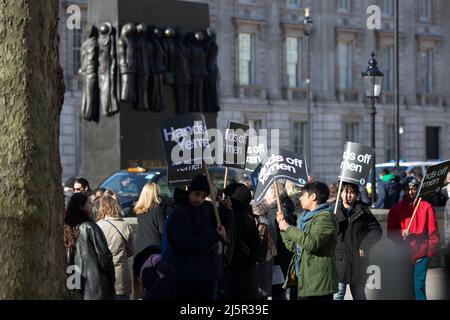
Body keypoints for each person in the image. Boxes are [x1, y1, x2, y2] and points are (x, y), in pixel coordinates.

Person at [162, 174, 228, 300]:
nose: (200, 199)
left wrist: (227, 211)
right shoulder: (179, 213)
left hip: (206, 274)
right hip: (187, 275)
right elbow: (187, 243)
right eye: (197, 194)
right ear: (190, 191)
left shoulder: (205, 208)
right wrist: (214, 237)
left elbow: (222, 225)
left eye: (203, 196)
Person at [276, 181, 338, 300]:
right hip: (302, 279)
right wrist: (282, 227)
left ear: (313, 196)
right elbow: (293, 246)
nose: (300, 198)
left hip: (318, 282)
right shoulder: (303, 217)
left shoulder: (326, 218)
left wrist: (287, 227)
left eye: (303, 195)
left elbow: (311, 243)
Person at [387, 176, 440, 300]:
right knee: (404, 289)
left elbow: (433, 232)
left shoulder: (426, 207)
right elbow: (390, 232)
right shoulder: (395, 210)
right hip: (403, 255)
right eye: (407, 189)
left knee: (419, 288)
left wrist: (429, 252)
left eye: (413, 188)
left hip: (421, 255)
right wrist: (401, 233)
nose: (410, 192)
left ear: (418, 189)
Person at [333, 182, 382, 300]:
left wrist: (365, 245)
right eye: (346, 192)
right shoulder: (333, 211)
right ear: (340, 193)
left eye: (352, 193)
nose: (348, 195)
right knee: (337, 295)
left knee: (359, 295)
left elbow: (377, 230)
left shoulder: (363, 211)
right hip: (339, 262)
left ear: (356, 195)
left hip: (358, 262)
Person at [64, 193, 115, 300]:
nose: (91, 206)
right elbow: (104, 255)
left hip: (73, 282)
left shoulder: (66, 229)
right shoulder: (89, 227)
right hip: (95, 284)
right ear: (81, 206)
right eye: (89, 204)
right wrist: (111, 277)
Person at [222, 183, 260, 300]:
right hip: (247, 268)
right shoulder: (248, 213)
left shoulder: (239, 217)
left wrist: (227, 213)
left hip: (238, 267)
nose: (225, 200)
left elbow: (232, 233)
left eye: (227, 197)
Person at [96, 195, 134, 300]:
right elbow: (130, 251)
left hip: (104, 276)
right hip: (121, 276)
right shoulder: (125, 225)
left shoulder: (97, 226)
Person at [265, 181, 296, 300]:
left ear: (274, 195)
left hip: (278, 258)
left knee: (278, 290)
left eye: (267, 194)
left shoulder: (276, 211)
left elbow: (277, 238)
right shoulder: (286, 207)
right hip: (286, 258)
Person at [133, 182, 168, 255]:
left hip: (139, 246)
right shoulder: (158, 209)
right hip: (153, 246)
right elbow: (163, 230)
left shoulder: (138, 210)